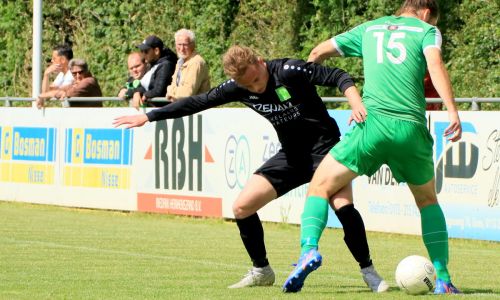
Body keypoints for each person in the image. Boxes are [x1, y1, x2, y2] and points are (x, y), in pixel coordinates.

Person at [113, 45, 387, 292]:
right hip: (291, 156)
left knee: (343, 207)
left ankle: (369, 273)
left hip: (325, 151)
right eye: (248, 85)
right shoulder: (238, 86)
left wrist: (356, 103)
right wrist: (149, 116)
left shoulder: (289, 70)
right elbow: (198, 102)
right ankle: (262, 270)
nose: (255, 88)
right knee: (242, 207)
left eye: (256, 80)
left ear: (260, 60)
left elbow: (338, 76)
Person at [283, 0, 462, 294]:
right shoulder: (427, 30)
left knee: (320, 187)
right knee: (428, 202)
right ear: (428, 13)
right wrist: (452, 110)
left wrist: (305, 95)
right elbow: (435, 64)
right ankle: (442, 278)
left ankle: (309, 250)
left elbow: (317, 52)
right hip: (410, 130)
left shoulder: (370, 28)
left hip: (372, 125)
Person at [36, 58, 102, 108]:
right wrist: (46, 74)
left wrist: (58, 93)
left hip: (91, 121)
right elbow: (54, 91)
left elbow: (69, 93)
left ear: (86, 71)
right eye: (74, 73)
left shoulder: (89, 81)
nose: (78, 76)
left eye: (80, 72)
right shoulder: (75, 83)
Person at [133, 35, 177, 109]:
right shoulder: (152, 64)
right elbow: (138, 82)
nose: (143, 55)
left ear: (156, 51)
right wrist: (137, 92)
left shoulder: (166, 65)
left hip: (162, 111)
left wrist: (145, 95)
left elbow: (158, 91)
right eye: (142, 51)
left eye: (146, 51)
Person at [166, 29, 210, 101]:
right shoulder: (180, 62)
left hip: (197, 110)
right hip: (183, 108)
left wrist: (171, 91)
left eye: (185, 45)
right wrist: (172, 90)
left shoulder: (196, 62)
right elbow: (173, 84)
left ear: (193, 45)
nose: (182, 48)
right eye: (179, 44)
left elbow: (187, 93)